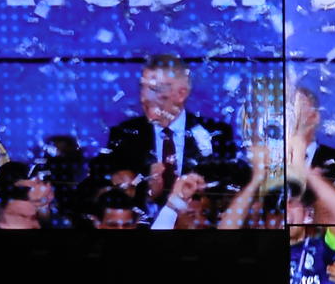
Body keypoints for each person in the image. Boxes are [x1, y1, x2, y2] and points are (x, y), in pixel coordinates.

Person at [106, 54, 249, 213]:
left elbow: (230, 193)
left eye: (155, 89)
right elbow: (107, 199)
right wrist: (144, 192)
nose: (144, 98)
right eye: (142, 87)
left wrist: (202, 194)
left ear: (181, 93)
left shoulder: (216, 135)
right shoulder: (124, 136)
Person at [289, 85, 335, 196]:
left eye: (300, 105)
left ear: (315, 116)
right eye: (289, 105)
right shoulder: (269, 160)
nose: (292, 112)